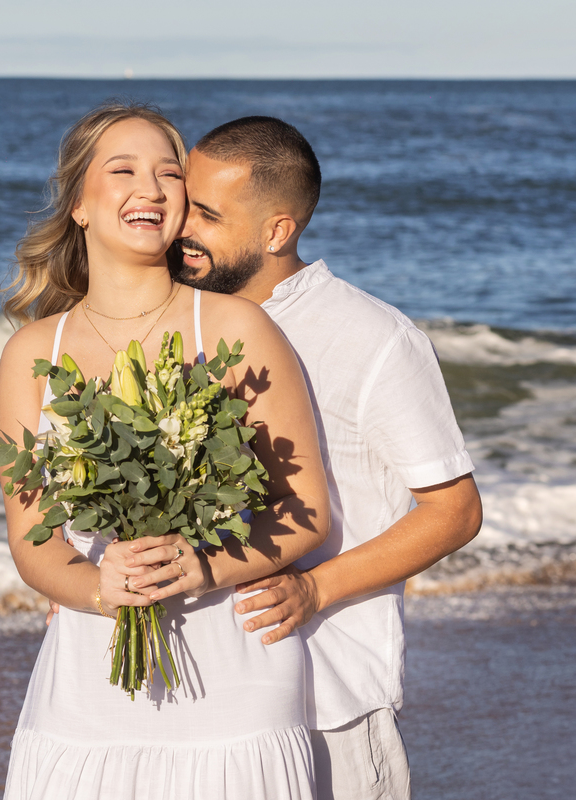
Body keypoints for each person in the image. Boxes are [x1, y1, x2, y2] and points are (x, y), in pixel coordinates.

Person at [124, 117, 483, 799]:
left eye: (206, 213)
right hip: (206, 698)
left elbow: (456, 510)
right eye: (184, 202)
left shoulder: (374, 338)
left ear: (277, 231)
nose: (181, 227)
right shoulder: (181, 323)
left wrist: (316, 588)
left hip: (330, 699)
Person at [0, 103, 331, 799]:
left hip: (233, 687)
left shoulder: (239, 328)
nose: (150, 188)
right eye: (123, 171)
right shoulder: (33, 352)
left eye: (169, 174)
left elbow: (303, 513)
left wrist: (203, 567)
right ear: (81, 203)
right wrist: (97, 588)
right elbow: (33, 541)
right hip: (84, 696)